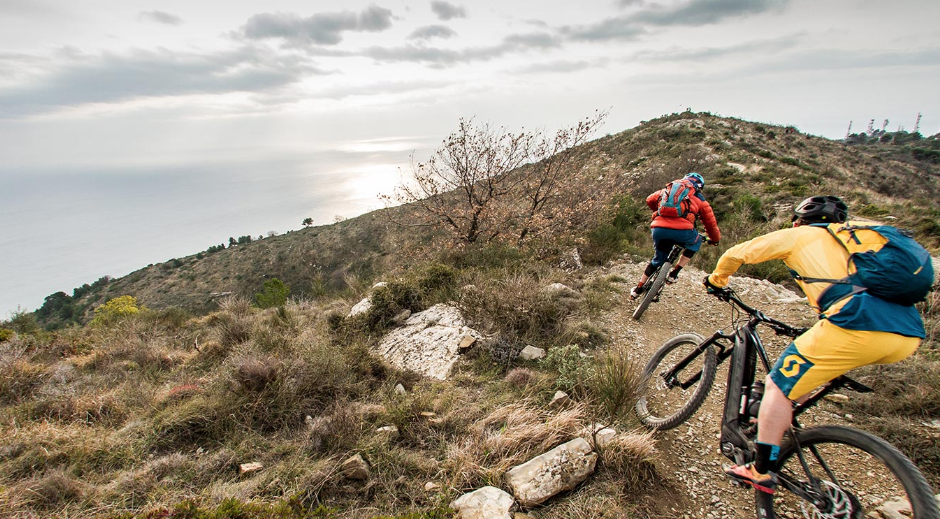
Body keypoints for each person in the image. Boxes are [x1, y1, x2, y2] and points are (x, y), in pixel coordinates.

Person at [703, 195, 925, 494]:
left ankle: (761, 469)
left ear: (799, 220)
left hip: (856, 324)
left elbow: (737, 253)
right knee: (806, 371)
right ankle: (776, 418)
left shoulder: (799, 235)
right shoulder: (857, 240)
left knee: (777, 387)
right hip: (906, 334)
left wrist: (717, 280)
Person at [630, 172, 721, 299]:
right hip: (683, 232)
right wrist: (715, 239)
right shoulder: (699, 199)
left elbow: (649, 199)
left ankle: (638, 289)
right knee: (696, 242)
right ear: (699, 187)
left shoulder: (666, 191)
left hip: (658, 228)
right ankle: (674, 274)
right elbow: (710, 223)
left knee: (657, 260)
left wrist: (659, 212)